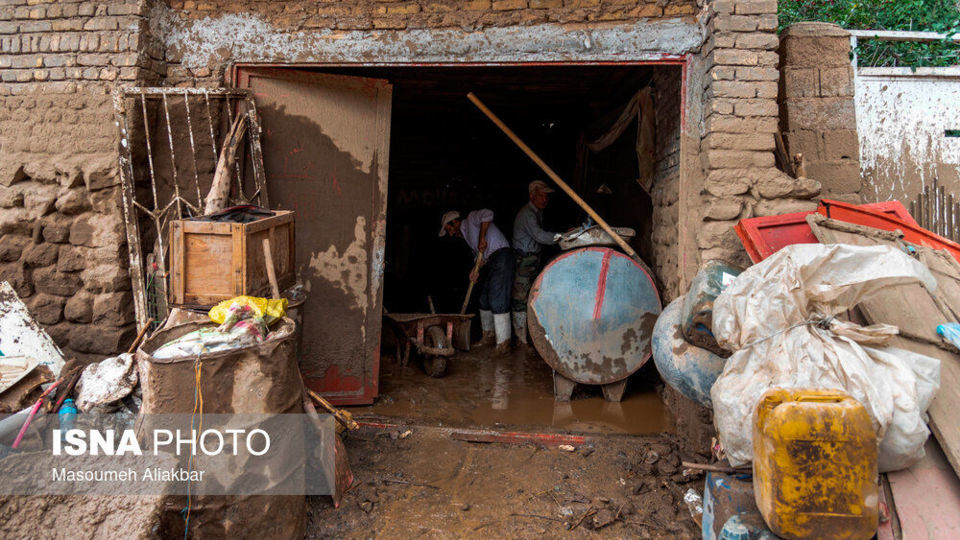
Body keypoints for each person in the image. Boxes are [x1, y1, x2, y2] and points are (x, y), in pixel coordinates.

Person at [439, 209, 516, 354]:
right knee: (483, 300)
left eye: (449, 229)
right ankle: (488, 336)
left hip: (502, 256)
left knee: (497, 298)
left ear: (455, 222)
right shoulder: (468, 237)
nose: (451, 234)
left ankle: (503, 343)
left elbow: (488, 214)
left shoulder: (470, 219)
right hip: (492, 261)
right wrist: (475, 269)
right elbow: (481, 257)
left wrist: (482, 237)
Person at [511, 180, 562, 345]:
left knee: (529, 296)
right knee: (520, 297)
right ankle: (520, 339)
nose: (545, 199)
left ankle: (526, 335)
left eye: (547, 196)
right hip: (524, 259)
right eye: (542, 195)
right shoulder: (528, 214)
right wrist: (562, 237)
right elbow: (540, 236)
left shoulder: (536, 213)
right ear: (532, 195)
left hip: (531, 259)